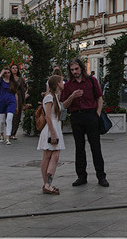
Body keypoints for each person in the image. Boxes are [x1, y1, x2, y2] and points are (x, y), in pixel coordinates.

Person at [61, 58, 110, 187]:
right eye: (72, 70)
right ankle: (81, 176)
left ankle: (101, 176)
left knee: (96, 147)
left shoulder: (91, 81)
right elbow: (64, 105)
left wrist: (97, 114)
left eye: (76, 69)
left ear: (81, 68)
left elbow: (99, 97)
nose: (75, 72)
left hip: (91, 115)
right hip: (76, 116)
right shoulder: (68, 85)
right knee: (79, 147)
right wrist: (72, 96)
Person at [38, 75, 65, 195]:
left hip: (54, 127)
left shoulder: (55, 97)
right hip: (51, 128)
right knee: (49, 155)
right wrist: (53, 133)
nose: (63, 83)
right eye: (62, 81)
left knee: (52, 155)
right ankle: (47, 184)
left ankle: (47, 184)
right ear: (57, 84)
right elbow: (47, 116)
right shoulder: (49, 97)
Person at [0, 67, 17, 145]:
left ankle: (7, 137)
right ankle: (1, 134)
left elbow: (15, 93)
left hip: (11, 101)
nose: (7, 74)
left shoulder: (13, 82)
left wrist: (16, 104)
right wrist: (0, 74)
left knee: (9, 119)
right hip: (2, 101)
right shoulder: (1, 81)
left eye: (8, 73)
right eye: (5, 73)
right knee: (2, 121)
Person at [9, 64, 28, 140]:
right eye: (13, 68)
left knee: (17, 116)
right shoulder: (9, 79)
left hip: (19, 98)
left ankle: (13, 133)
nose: (14, 69)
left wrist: (23, 101)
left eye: (16, 68)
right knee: (10, 116)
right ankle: (8, 132)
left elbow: (23, 89)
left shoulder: (20, 79)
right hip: (10, 98)